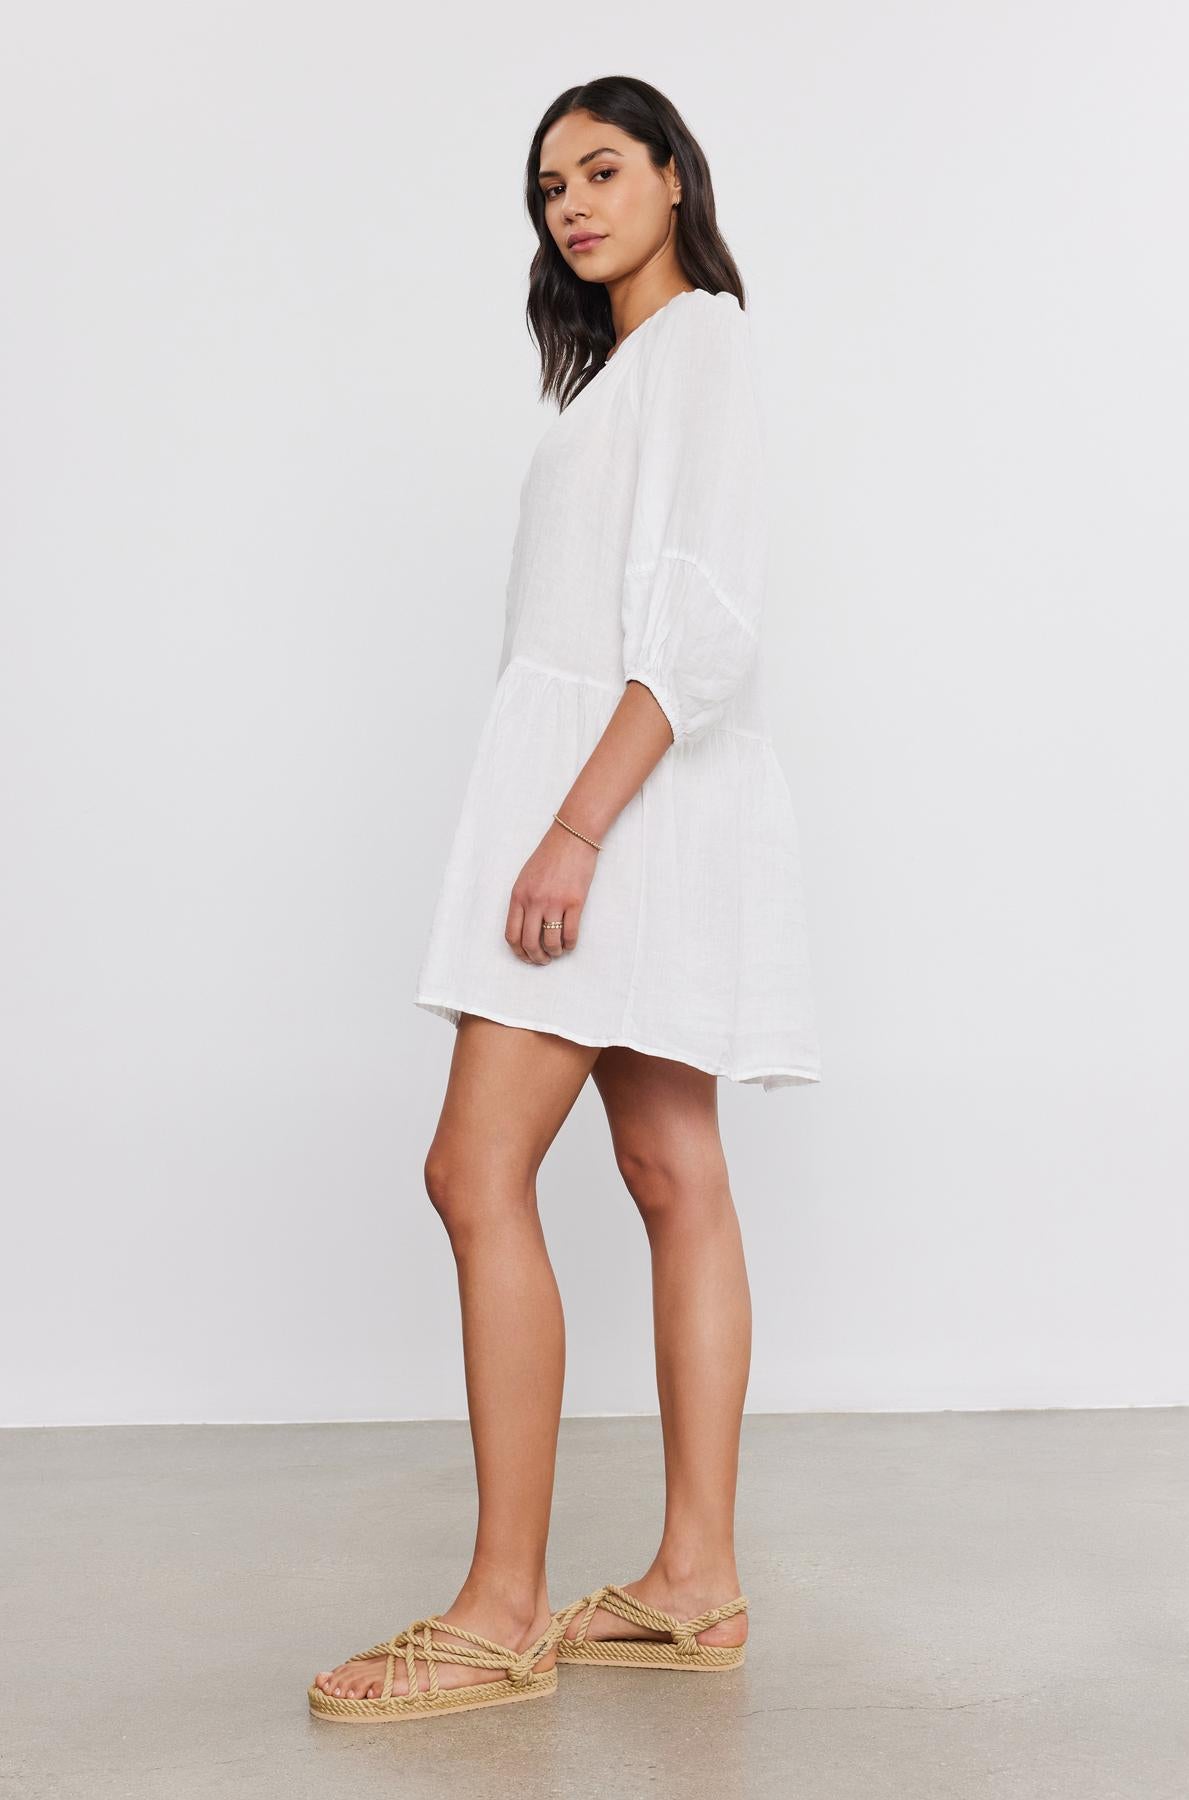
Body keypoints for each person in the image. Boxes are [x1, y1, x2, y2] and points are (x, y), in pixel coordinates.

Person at [309, 74, 821, 1724]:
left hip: (626, 806)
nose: (575, 204)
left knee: (474, 1169)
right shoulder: (623, 378)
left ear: (676, 178)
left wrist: (574, 832)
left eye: (604, 168)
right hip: (632, 800)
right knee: (674, 1169)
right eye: (548, 188)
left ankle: (502, 1607)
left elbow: (705, 629)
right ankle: (695, 1581)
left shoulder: (702, 347)